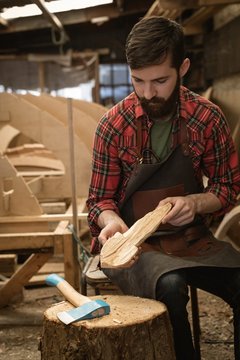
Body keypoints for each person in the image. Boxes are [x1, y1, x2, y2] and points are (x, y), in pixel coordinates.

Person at [87, 16, 240, 360]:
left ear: (183, 68)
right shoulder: (114, 125)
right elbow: (99, 201)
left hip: (192, 240)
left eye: (160, 80)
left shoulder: (207, 119)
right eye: (137, 80)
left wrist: (198, 202)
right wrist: (110, 223)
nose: (147, 93)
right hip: (136, 248)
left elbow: (227, 187)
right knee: (170, 287)